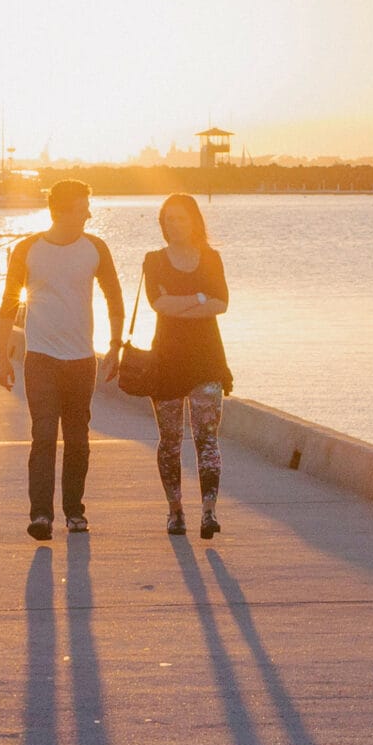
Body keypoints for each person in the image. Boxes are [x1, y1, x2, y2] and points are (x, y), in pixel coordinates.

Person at [0, 180, 123, 539]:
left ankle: (74, 511)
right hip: (41, 359)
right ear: (64, 210)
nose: (89, 213)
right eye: (84, 207)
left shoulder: (95, 248)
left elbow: (114, 297)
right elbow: (8, 305)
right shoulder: (28, 249)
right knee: (44, 435)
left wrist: (115, 345)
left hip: (83, 360)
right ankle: (40, 515)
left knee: (78, 439)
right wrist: (1, 357)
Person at [140, 193, 234, 538]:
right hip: (166, 360)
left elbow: (221, 303)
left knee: (207, 438)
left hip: (207, 359)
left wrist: (181, 305)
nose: (173, 225)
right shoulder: (154, 260)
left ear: (194, 220)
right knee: (170, 440)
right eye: (167, 220)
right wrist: (198, 299)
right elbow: (158, 303)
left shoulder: (211, 258)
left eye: (180, 218)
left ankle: (208, 512)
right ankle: (175, 511)